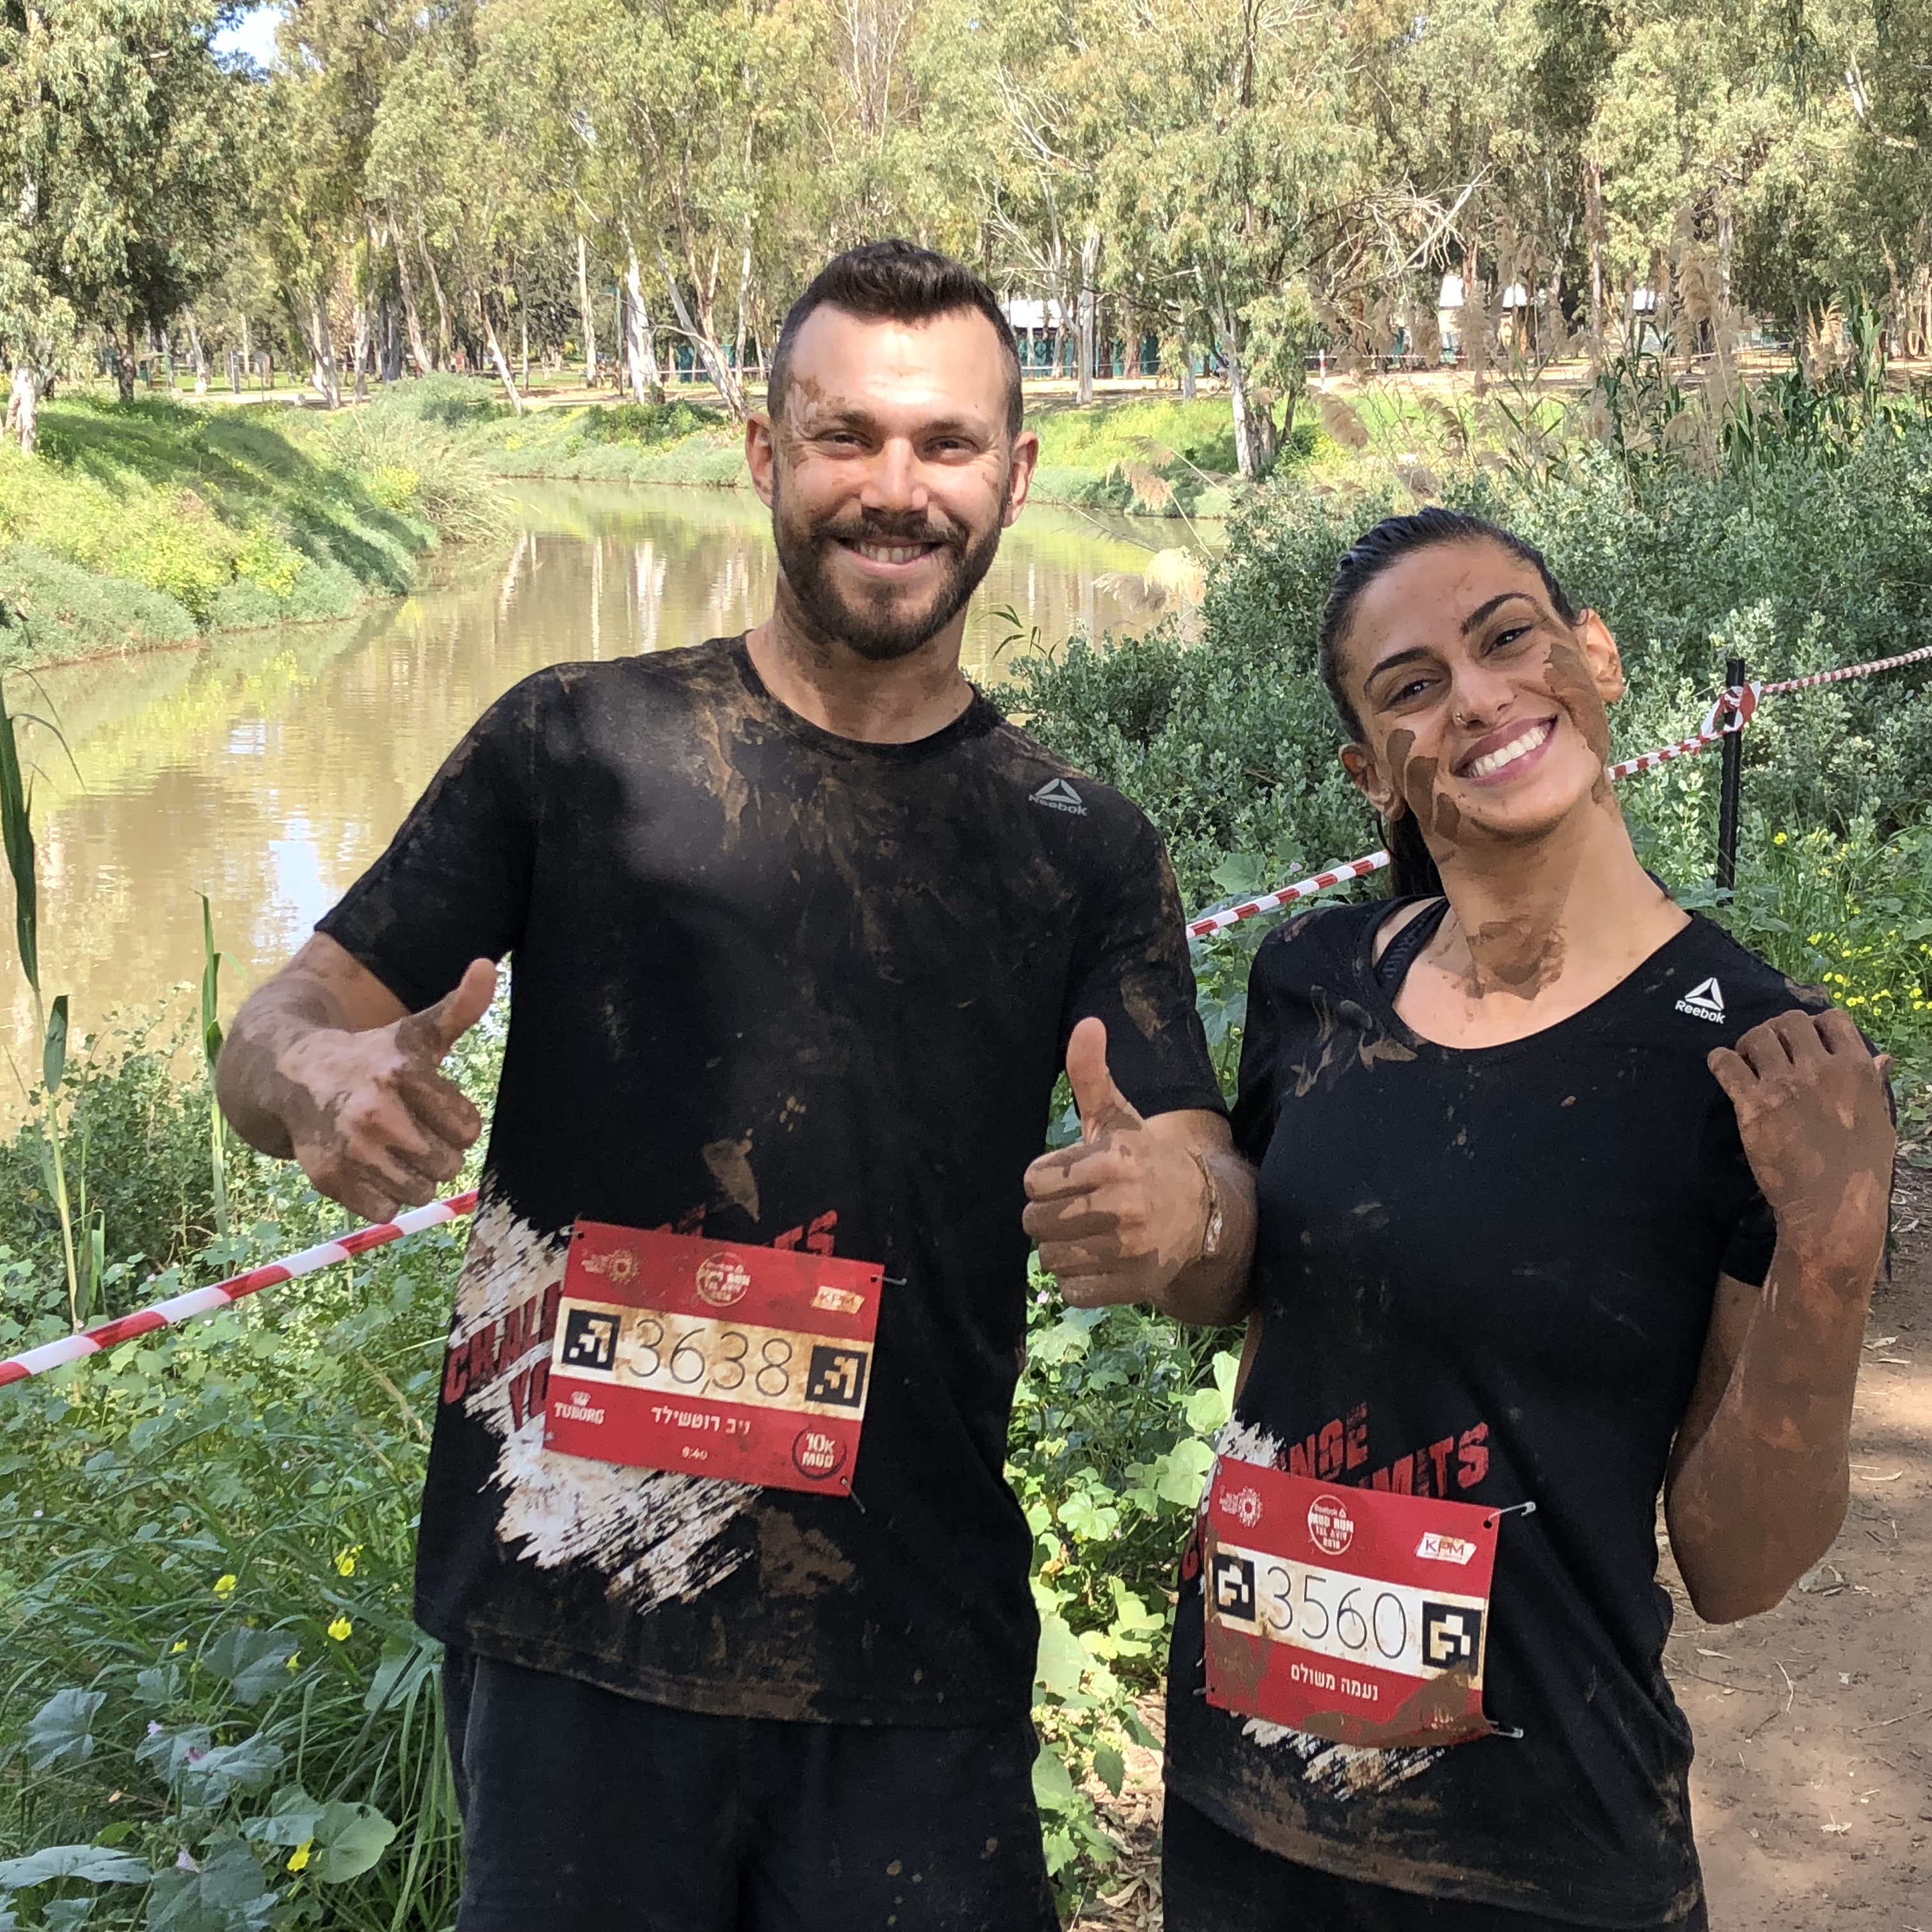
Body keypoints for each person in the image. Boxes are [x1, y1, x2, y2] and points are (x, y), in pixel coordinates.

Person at [215, 241, 1250, 1932]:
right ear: (766, 456)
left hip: (914, 1663)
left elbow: (1205, 1197)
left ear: (1015, 476)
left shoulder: (1083, 848)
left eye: (945, 443)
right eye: (846, 436)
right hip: (572, 1632)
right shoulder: (575, 749)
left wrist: (1182, 1211)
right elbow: (276, 1027)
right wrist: (314, 1072)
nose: (894, 488)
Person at [1023, 508, 1895, 1930]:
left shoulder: (1760, 1064)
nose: (1478, 697)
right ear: (1372, 773)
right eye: (1411, 685)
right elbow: (1253, 1274)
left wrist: (1832, 1257)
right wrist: (1169, 1216)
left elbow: (1740, 1566)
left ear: (1594, 659)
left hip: (1543, 1849)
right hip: (1249, 1792)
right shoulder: (1317, 977)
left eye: (1508, 638)